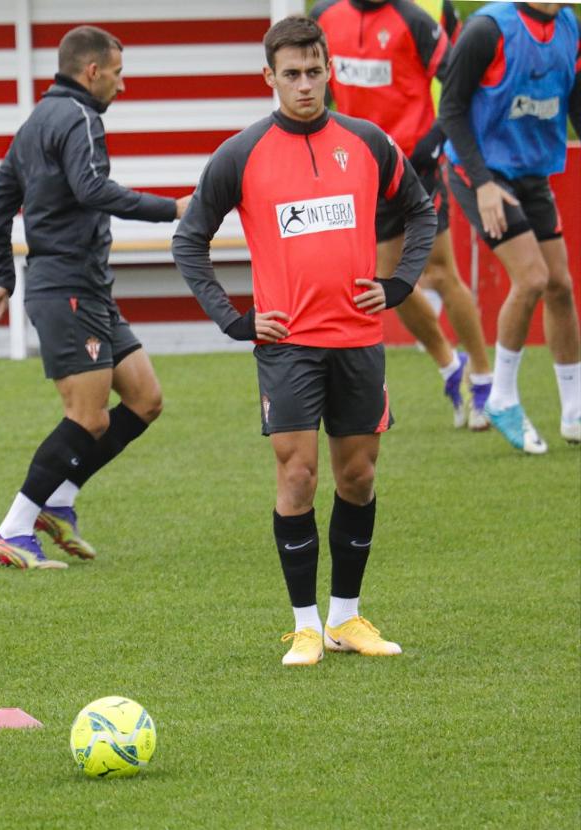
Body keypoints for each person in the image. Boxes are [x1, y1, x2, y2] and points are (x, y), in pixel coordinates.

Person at [173, 16, 435, 666]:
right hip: (287, 344)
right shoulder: (242, 153)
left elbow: (421, 208)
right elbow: (189, 239)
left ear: (329, 71)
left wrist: (399, 283)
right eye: (291, 73)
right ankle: (305, 625)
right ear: (270, 77)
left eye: (315, 71)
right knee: (297, 475)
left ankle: (346, 618)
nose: (305, 84)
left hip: (358, 339)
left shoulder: (368, 142)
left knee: (358, 474)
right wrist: (235, 319)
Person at [0, 25, 189, 570]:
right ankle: (14, 527)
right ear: (92, 71)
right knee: (88, 417)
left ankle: (60, 501)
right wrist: (175, 209)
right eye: (117, 73)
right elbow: (92, 189)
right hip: (67, 288)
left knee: (145, 400)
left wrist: (0, 278)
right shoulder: (80, 118)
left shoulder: (35, 122)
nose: (122, 84)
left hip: (85, 287)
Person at [313, 0, 494, 430]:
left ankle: (485, 382)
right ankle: (450, 365)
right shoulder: (324, 17)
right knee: (385, 280)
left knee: (439, 272)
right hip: (360, 169)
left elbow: (460, 88)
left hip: (417, 167)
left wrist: (434, 140)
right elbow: (323, 84)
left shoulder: (414, 20)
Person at [439, 2, 581, 454]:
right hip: (478, 173)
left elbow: (575, 97)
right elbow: (451, 109)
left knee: (560, 284)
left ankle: (575, 412)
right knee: (533, 277)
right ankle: (500, 397)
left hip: (530, 171)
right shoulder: (486, 30)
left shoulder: (569, 25)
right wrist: (482, 183)